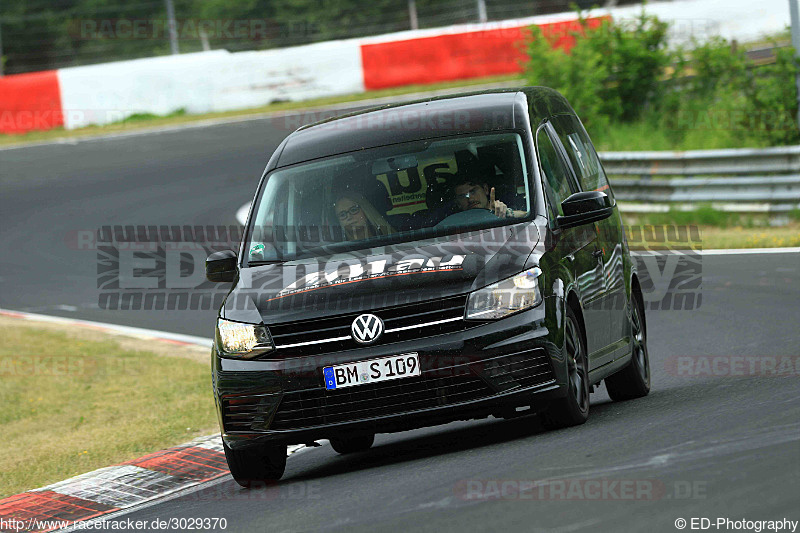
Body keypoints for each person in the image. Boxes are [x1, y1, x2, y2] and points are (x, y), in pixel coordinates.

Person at [452, 179, 526, 219]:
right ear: (458, 203)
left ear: (486, 189)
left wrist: (507, 213)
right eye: (462, 196)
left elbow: (526, 215)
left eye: (473, 191)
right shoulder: (455, 225)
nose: (470, 200)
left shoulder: (498, 211)